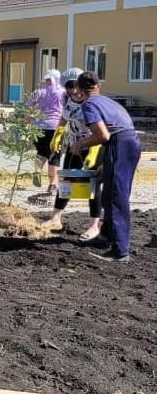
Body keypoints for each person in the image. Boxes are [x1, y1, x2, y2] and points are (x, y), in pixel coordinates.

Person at [69, 71, 141, 263]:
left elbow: (103, 136)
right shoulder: (108, 101)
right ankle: (106, 237)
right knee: (109, 192)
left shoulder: (89, 105)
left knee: (117, 196)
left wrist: (80, 144)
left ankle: (120, 251)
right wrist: (104, 163)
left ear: (79, 90)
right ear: (98, 86)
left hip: (120, 144)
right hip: (130, 142)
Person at [42, 67, 102, 240]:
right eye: (69, 86)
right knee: (67, 180)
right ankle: (56, 218)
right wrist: (58, 133)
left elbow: (102, 127)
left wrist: (95, 148)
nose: (73, 90)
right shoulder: (68, 99)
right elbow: (64, 117)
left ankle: (94, 225)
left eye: (76, 85)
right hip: (74, 145)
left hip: (92, 146)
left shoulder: (91, 101)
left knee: (93, 184)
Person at [28, 68, 65, 192]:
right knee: (54, 155)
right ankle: (52, 184)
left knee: (41, 152)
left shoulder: (37, 92)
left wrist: (26, 122)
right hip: (56, 127)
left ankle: (37, 172)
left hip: (39, 127)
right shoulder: (62, 93)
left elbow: (29, 110)